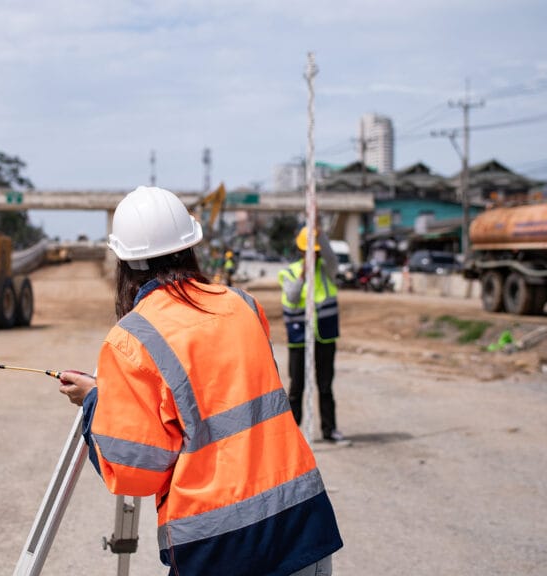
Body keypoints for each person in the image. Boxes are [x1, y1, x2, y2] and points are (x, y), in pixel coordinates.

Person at [58, 186, 343, 576]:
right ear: (192, 245)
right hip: (301, 525)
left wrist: (96, 402)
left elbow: (135, 471)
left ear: (125, 262)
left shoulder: (132, 337)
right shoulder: (243, 305)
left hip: (221, 548)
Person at [278, 225, 346, 444]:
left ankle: (330, 429)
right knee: (297, 387)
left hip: (324, 336)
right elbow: (293, 295)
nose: (314, 256)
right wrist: (304, 274)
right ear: (301, 251)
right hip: (299, 339)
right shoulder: (288, 272)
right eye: (310, 252)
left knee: (325, 386)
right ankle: (292, 434)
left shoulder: (328, 270)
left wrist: (320, 234)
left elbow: (332, 257)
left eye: (316, 252)